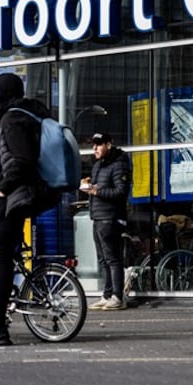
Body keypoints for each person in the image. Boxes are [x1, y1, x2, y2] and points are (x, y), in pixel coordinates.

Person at [0, 73, 60, 346]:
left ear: (0, 94)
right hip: (28, 194)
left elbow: (21, 163)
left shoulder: (11, 119)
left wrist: (1, 190)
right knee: (3, 253)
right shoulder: (25, 115)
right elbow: (13, 166)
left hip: (18, 197)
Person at [82, 132, 132, 311]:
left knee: (113, 259)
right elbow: (97, 187)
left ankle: (118, 297)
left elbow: (121, 192)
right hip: (98, 217)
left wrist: (97, 192)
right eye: (93, 145)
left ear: (108, 145)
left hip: (110, 218)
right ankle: (107, 294)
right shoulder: (98, 166)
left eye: (99, 144)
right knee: (103, 259)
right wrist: (88, 185)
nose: (94, 148)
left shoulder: (119, 165)